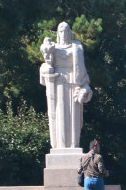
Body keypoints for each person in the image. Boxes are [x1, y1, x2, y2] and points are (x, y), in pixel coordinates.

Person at [40, 21, 93, 149]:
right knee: (59, 113)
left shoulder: (77, 48)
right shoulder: (53, 48)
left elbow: (82, 70)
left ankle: (73, 145)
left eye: (66, 31)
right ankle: (60, 146)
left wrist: (84, 87)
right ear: (58, 33)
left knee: (73, 117)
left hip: (73, 83)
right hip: (58, 83)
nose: (63, 34)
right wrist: (46, 68)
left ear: (70, 33)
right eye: (61, 31)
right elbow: (46, 67)